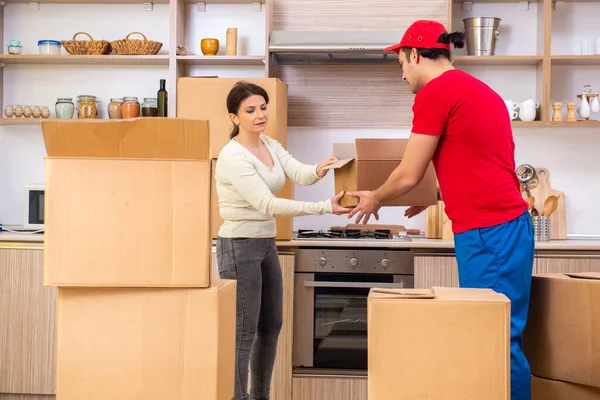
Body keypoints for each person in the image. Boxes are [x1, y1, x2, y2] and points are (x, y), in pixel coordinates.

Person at [346, 20, 535, 400]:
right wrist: (438, 194)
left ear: (416, 54)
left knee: (494, 337)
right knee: (498, 334)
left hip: (488, 233)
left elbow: (408, 172)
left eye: (401, 63)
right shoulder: (480, 91)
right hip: (501, 228)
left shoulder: (436, 93)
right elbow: (479, 159)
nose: (402, 75)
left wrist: (375, 197)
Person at [215, 80, 352, 400]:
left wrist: (320, 168)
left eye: (263, 107)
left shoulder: (270, 144)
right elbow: (267, 204)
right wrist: (323, 207)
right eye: (250, 110)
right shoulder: (233, 156)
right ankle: (239, 397)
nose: (260, 114)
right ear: (234, 117)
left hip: (264, 244)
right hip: (238, 246)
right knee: (244, 330)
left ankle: (260, 396)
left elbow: (299, 173)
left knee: (271, 326)